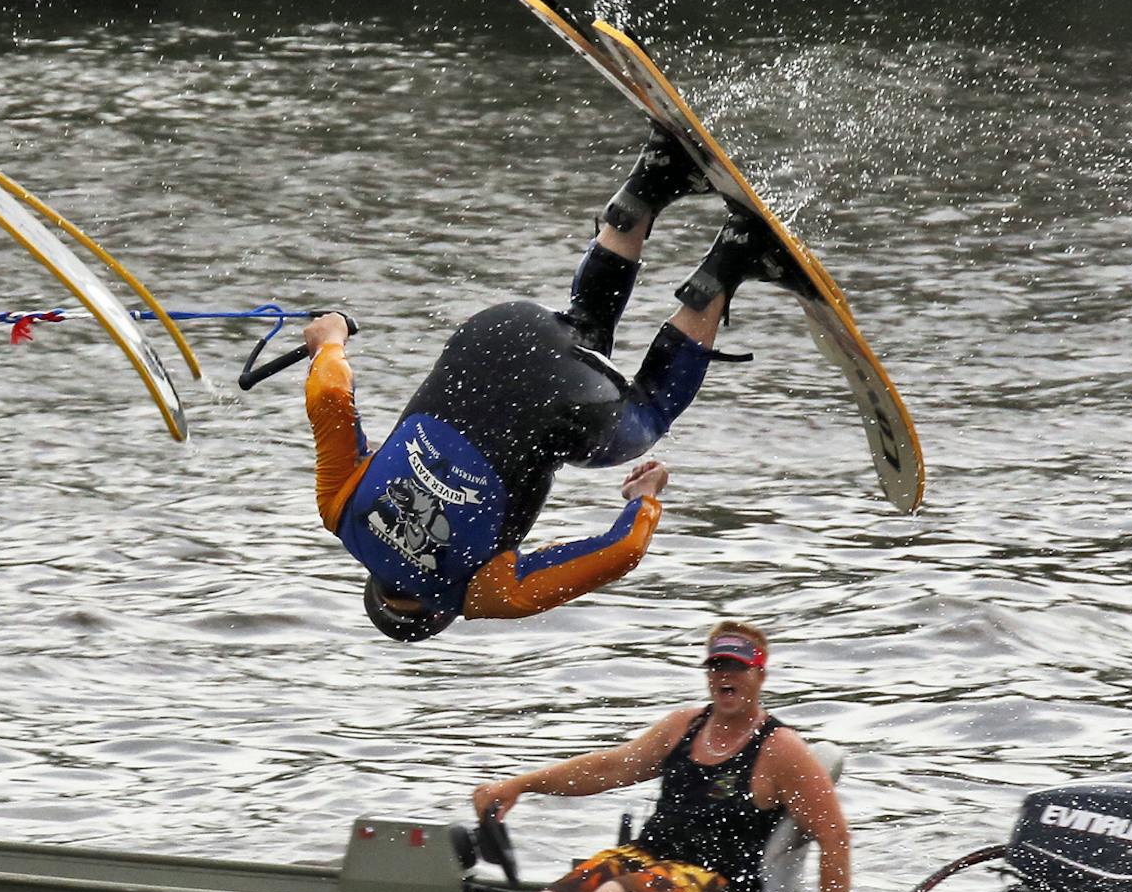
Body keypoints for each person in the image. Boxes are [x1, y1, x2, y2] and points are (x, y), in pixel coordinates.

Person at [301, 128, 806, 640]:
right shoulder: (341, 510)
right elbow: (329, 397)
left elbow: (622, 552)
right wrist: (330, 342)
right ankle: (649, 183)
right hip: (499, 331)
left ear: (436, 615)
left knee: (649, 411)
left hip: (562, 405)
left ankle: (730, 260)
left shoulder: (477, 595)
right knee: (584, 325)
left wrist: (644, 499)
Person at [472, 622, 849, 892]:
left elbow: (834, 837)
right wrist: (519, 785)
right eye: (717, 666)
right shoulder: (682, 726)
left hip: (719, 882)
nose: (725, 675)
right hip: (650, 858)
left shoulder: (781, 749)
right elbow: (608, 768)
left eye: (737, 666)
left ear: (760, 674)